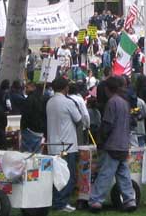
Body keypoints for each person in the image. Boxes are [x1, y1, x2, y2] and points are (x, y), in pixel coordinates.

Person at [88, 76, 137, 212]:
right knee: (123, 174)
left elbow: (108, 124)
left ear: (107, 89)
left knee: (105, 173)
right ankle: (129, 199)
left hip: (112, 144)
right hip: (123, 143)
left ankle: (96, 200)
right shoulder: (125, 103)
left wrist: (101, 139)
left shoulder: (112, 102)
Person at [46, 77, 82, 212]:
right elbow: (78, 119)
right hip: (67, 144)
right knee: (67, 175)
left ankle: (57, 200)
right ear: (65, 88)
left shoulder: (49, 102)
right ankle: (61, 202)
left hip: (53, 143)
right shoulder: (68, 102)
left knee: (57, 175)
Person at [20, 83, 46, 153]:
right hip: (40, 130)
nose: (26, 90)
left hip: (29, 130)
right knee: (37, 155)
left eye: (27, 87)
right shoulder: (44, 98)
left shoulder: (29, 99)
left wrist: (24, 127)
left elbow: (26, 114)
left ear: (33, 87)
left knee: (27, 154)